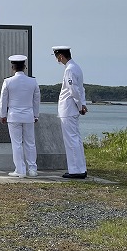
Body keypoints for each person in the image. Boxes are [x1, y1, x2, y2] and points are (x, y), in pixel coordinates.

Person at [0, 54, 41, 178]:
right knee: (30, 143)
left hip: (13, 116)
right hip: (28, 115)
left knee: (16, 144)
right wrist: (36, 115)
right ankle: (32, 169)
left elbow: (3, 100)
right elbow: (36, 100)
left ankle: (20, 170)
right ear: (25, 66)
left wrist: (3, 115)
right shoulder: (33, 81)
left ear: (13, 67)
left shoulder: (8, 81)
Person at [52, 46, 88, 178]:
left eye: (56, 57)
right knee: (76, 139)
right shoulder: (76, 67)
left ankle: (75, 170)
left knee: (71, 140)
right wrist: (82, 104)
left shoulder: (69, 70)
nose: (57, 60)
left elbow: (73, 90)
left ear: (60, 56)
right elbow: (81, 89)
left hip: (68, 108)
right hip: (73, 108)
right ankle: (81, 168)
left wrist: (80, 106)